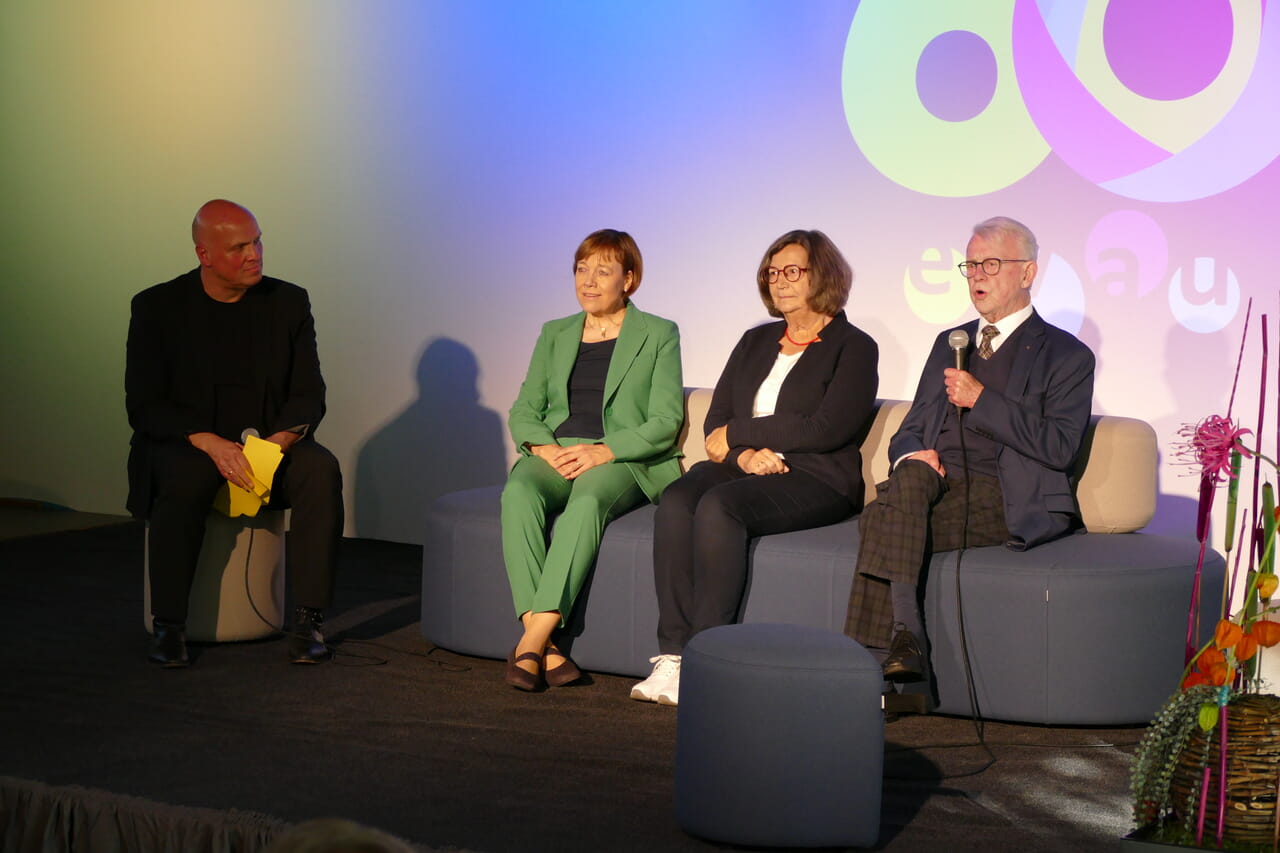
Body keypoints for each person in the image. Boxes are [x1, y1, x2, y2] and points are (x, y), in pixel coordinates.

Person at [844, 216, 1095, 693]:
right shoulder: (950, 342)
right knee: (910, 479)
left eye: (991, 263)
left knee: (882, 519)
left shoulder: (1067, 356)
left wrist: (982, 399)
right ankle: (904, 644)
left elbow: (1060, 447)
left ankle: (871, 675)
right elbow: (911, 427)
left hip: (1008, 495)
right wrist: (912, 455)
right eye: (971, 264)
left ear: (1027, 273)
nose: (977, 274)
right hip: (935, 486)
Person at [631, 229, 879, 706]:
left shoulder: (854, 346)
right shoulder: (755, 341)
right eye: (772, 272)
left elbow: (824, 429)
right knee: (679, 498)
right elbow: (717, 421)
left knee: (721, 506)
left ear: (822, 275)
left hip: (815, 476)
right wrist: (742, 454)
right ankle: (673, 656)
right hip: (746, 465)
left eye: (793, 271)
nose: (780, 281)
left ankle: (707, 655)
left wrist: (744, 435)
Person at [126, 199, 344, 668]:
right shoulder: (156, 307)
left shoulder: (288, 302)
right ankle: (169, 625)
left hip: (268, 444)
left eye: (258, 241)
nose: (255, 255)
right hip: (190, 443)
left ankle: (308, 620)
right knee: (183, 481)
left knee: (320, 470)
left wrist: (276, 445)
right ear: (204, 254)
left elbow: (309, 392)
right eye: (240, 247)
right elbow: (143, 404)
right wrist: (207, 441)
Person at [501, 229, 683, 690]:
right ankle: (548, 647)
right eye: (582, 269)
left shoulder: (658, 333)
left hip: (620, 457)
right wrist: (544, 449)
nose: (589, 280)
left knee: (586, 500)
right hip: (557, 450)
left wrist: (604, 450)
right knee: (519, 490)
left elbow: (665, 419)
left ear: (629, 279)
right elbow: (525, 409)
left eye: (603, 270)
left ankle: (530, 643)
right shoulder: (555, 332)